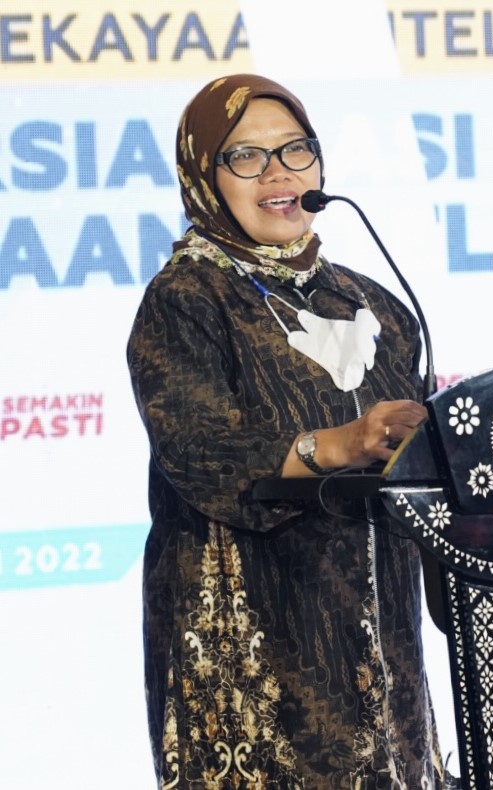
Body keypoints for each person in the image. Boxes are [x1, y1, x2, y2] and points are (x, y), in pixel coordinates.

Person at [127, 73, 445, 789]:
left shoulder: (373, 302)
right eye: (246, 156)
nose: (278, 173)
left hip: (383, 631)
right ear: (204, 176)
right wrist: (338, 445)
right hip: (255, 634)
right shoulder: (186, 298)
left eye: (296, 150)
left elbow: (417, 470)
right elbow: (201, 454)